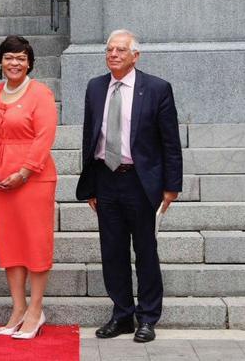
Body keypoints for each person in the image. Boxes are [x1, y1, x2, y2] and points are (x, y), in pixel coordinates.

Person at [76, 29, 183, 343]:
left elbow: (170, 143)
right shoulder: (96, 87)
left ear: (135, 55)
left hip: (141, 181)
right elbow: (89, 138)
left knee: (146, 251)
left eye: (121, 50)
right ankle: (122, 314)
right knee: (112, 252)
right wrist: (91, 186)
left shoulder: (157, 89)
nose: (113, 55)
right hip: (106, 179)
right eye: (109, 49)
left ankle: (148, 317)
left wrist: (171, 186)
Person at [0, 35, 58, 340]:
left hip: (34, 180)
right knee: (10, 246)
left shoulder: (41, 93)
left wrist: (25, 171)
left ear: (29, 63)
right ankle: (18, 308)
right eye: (9, 57)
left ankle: (36, 310)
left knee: (35, 245)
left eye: (21, 58)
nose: (15, 63)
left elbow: (44, 136)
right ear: (0, 61)